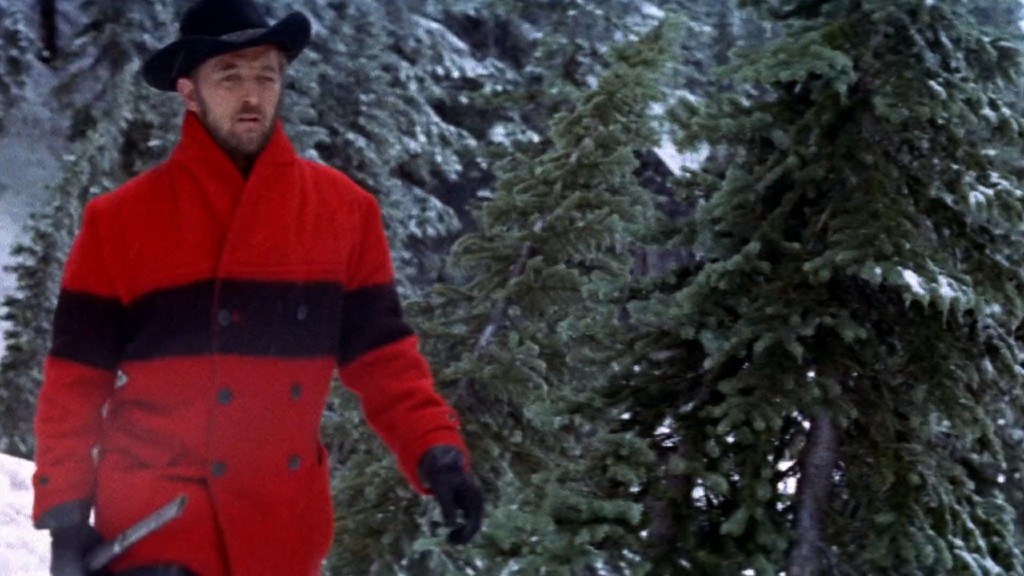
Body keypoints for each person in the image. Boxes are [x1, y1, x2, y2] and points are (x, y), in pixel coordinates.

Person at [31, 0, 484, 574]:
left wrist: (438, 454)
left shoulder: (344, 212)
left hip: (281, 532)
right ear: (189, 92)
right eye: (229, 76)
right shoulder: (119, 221)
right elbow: (74, 382)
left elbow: (384, 361)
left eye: (265, 76)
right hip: (154, 531)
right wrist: (66, 514)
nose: (251, 95)